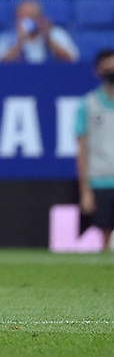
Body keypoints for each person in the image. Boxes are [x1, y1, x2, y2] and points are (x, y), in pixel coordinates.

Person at [75, 49, 114, 252]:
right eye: (107, 68)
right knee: (105, 234)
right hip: (101, 178)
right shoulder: (88, 104)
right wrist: (86, 190)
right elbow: (82, 149)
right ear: (98, 71)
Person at [0, 0, 79, 63]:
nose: (26, 21)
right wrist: (20, 42)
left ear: (39, 18)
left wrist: (48, 38)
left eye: (30, 17)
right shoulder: (8, 37)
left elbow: (71, 60)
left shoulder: (56, 33)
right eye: (22, 17)